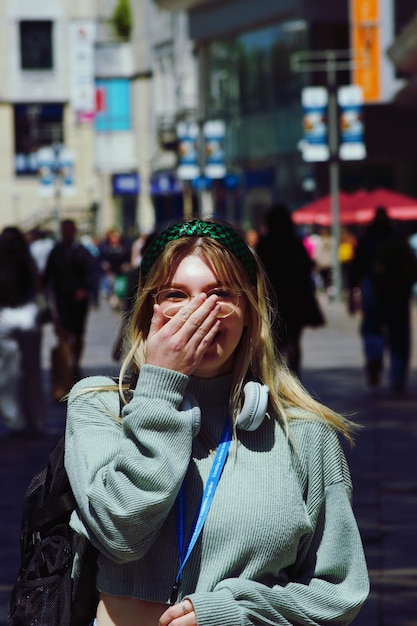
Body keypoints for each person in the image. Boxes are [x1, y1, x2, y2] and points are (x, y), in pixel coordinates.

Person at [64, 218, 369, 626]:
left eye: (220, 295)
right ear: (148, 312)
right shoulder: (99, 407)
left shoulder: (305, 433)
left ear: (248, 312)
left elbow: (340, 593)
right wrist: (160, 387)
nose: (198, 315)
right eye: (176, 295)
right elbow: (121, 532)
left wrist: (232, 613)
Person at [350, 206, 417, 391]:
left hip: (373, 292)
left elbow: (355, 269)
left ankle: (375, 358)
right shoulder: (399, 242)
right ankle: (397, 376)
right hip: (398, 295)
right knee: (399, 337)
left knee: (372, 328)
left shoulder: (366, 241)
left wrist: (351, 296)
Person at [255, 204, 325, 377]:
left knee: (275, 341)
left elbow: (256, 269)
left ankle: (278, 376)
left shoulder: (265, 243)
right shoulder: (294, 243)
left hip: (273, 299)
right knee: (294, 339)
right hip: (296, 299)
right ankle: (294, 374)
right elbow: (307, 266)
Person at [0, 226, 46, 435]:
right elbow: (37, 288)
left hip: (7, 317)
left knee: (9, 373)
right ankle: (34, 419)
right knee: (31, 372)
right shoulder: (27, 261)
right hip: (25, 316)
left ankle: (15, 420)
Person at [44, 219, 95, 381]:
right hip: (62, 300)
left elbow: (91, 274)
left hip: (79, 302)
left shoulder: (82, 252)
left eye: (69, 230)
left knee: (78, 335)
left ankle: (75, 363)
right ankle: (66, 366)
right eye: (64, 230)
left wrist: (85, 290)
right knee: (63, 333)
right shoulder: (56, 252)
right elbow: (48, 276)